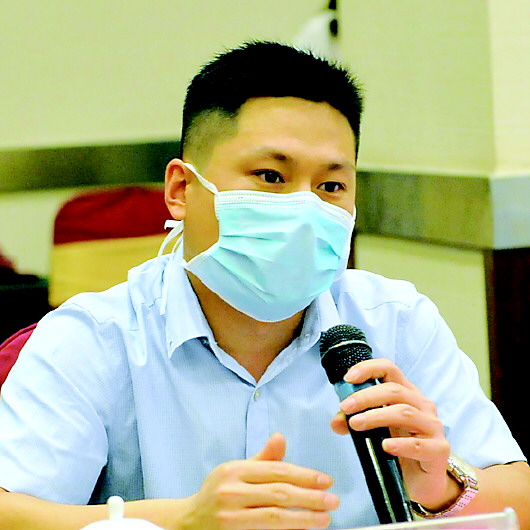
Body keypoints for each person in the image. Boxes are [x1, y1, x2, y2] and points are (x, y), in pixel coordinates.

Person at [0, 41, 528, 530]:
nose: (305, 209)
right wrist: (182, 521)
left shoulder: (395, 319)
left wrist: (441, 488)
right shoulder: (94, 337)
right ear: (181, 189)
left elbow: (519, 499)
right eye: (271, 177)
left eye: (331, 185)